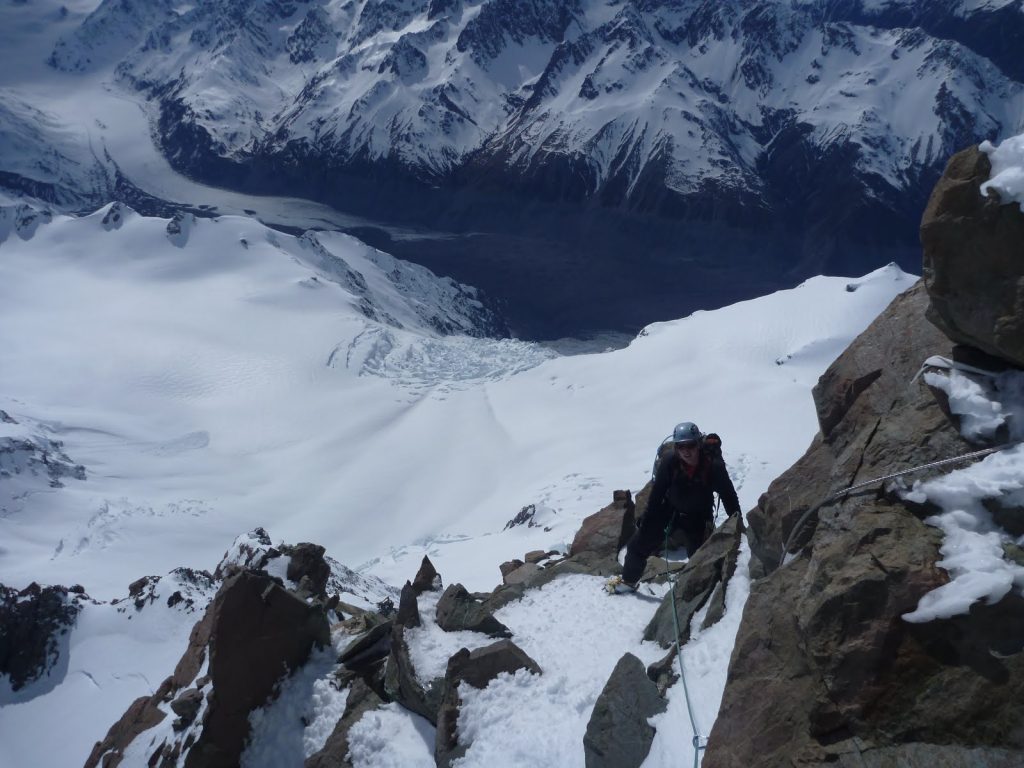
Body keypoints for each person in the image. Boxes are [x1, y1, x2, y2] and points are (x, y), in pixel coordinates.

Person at [607, 422, 741, 594]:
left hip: (698, 518)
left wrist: (738, 527)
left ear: (698, 444)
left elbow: (729, 497)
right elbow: (657, 494)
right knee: (636, 546)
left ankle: (702, 593)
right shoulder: (670, 461)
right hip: (670, 511)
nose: (686, 451)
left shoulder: (713, 466)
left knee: (699, 561)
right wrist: (647, 521)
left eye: (690, 445)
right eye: (680, 446)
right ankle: (629, 581)